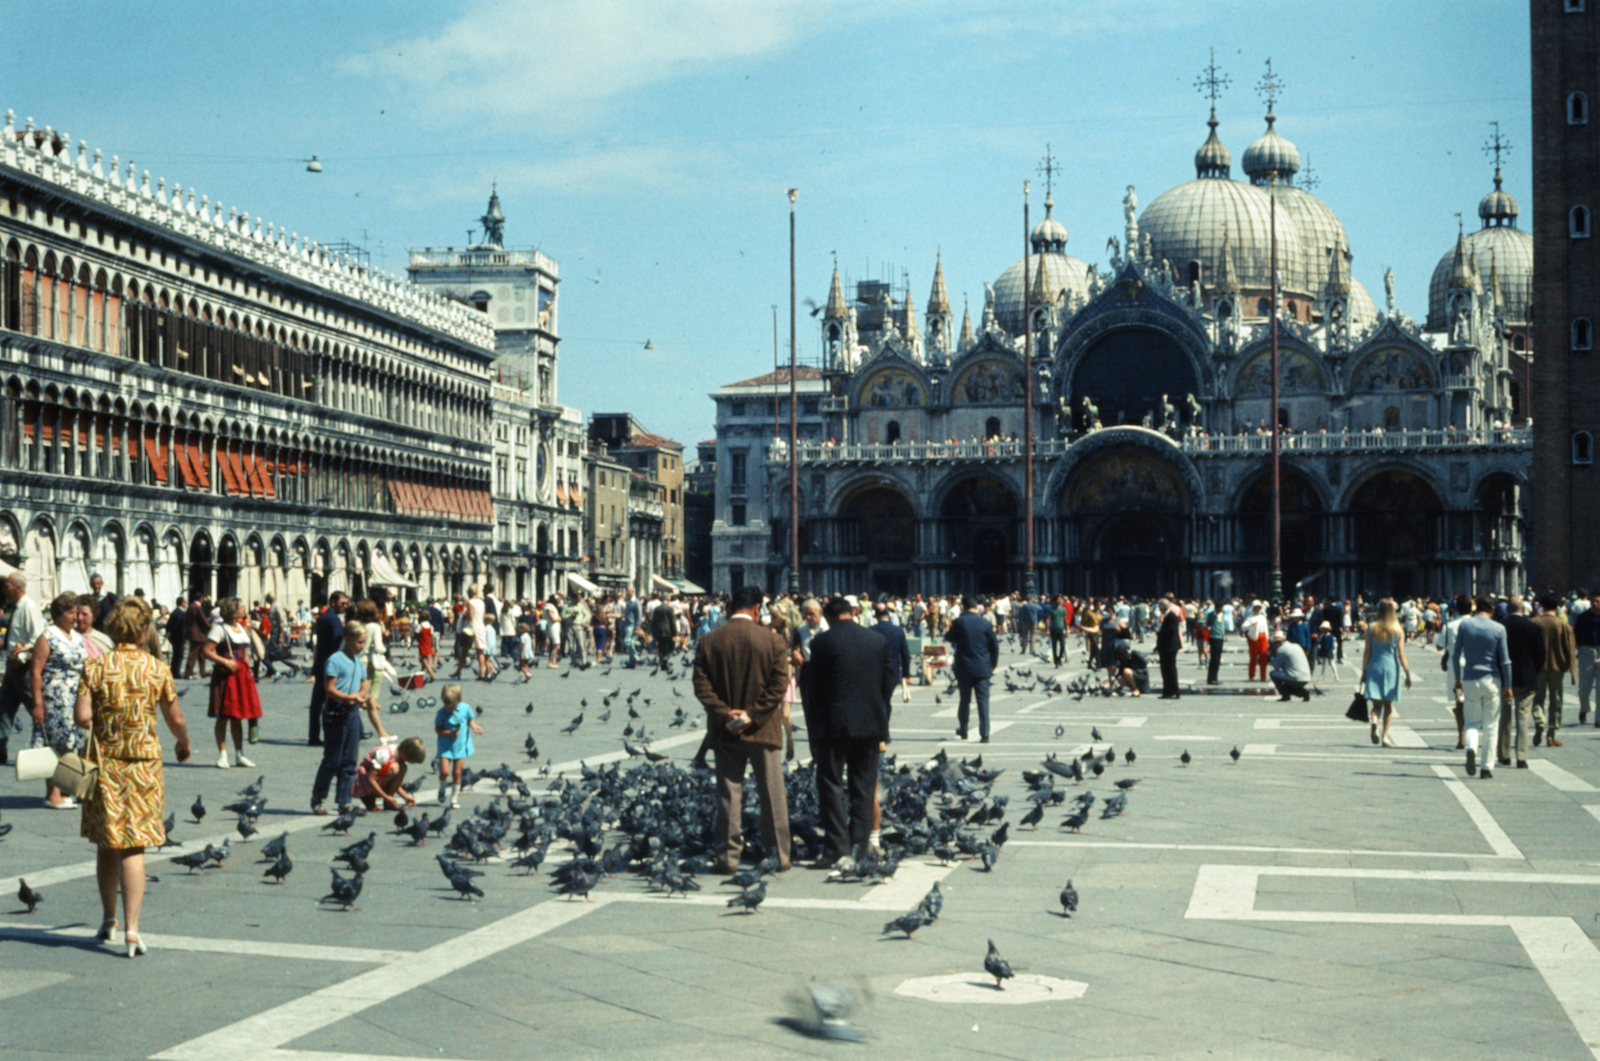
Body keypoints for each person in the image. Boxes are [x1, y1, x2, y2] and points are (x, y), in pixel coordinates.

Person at [73, 596, 190, 958]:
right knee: (134, 845)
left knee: (107, 842)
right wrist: (183, 744)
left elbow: (81, 717)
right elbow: (176, 719)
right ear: (142, 632)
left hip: (106, 764)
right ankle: (133, 930)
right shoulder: (157, 669)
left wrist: (108, 720)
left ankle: (108, 918)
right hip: (142, 766)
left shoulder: (95, 667)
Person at [691, 583, 792, 872]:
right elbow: (779, 686)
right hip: (763, 729)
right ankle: (779, 856)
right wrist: (752, 715)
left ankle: (727, 857)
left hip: (725, 731)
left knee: (729, 794)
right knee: (772, 794)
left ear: (730, 607)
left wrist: (726, 715)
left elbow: (701, 686)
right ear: (758, 609)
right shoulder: (772, 641)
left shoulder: (710, 641)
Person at [799, 596, 894, 867]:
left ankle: (835, 849)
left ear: (828, 617)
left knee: (831, 784)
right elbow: (889, 683)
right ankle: (859, 849)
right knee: (863, 788)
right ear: (852, 613)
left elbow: (813, 688)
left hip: (834, 725)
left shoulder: (822, 642)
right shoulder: (876, 640)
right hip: (870, 725)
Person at [30, 591, 89, 807]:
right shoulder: (48, 636)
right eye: (72, 613)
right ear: (60, 614)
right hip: (54, 699)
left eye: (77, 613)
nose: (76, 617)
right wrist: (37, 703)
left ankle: (64, 788)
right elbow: (36, 671)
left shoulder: (77, 637)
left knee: (70, 744)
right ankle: (52, 793)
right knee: (54, 744)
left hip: (75, 697)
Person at [311, 624, 373, 814]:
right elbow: (329, 689)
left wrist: (361, 695)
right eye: (359, 642)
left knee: (349, 760)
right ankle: (318, 798)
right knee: (333, 760)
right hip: (335, 712)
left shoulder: (359, 663)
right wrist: (349, 697)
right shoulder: (335, 660)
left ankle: (344, 801)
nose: (362, 646)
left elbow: (364, 684)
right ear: (347, 639)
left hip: (352, 713)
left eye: (364, 642)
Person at [1454, 597, 1513, 780]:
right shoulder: (1498, 628)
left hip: (1470, 678)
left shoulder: (1465, 625)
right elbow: (1505, 661)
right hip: (1491, 680)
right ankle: (1486, 768)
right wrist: (1508, 686)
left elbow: (1456, 655)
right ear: (1492, 609)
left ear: (1475, 608)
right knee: (1490, 726)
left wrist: (1458, 678)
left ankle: (1471, 747)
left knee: (1471, 722)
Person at [201, 597, 262, 769]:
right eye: (240, 606)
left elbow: (246, 652)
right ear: (232, 610)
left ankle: (239, 754)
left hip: (241, 675)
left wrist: (248, 668)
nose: (244, 609)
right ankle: (222, 754)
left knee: (238, 716)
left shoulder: (241, 628)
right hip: (226, 676)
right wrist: (225, 662)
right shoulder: (219, 629)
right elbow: (207, 651)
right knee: (223, 717)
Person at [945, 594, 999, 741]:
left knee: (964, 700)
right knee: (983, 701)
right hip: (982, 668)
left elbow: (948, 638)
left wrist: (951, 629)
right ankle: (985, 733)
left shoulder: (959, 622)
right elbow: (994, 646)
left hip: (964, 667)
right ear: (976, 607)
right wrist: (993, 664)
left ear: (963, 607)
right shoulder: (986, 623)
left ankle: (963, 729)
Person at [1500, 599, 1545, 769]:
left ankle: (1504, 754)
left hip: (1506, 677)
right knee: (1523, 718)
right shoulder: (1532, 626)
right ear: (1523, 609)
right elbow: (1541, 652)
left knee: (1504, 718)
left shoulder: (1501, 625)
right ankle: (1521, 757)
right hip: (1527, 676)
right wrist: (1535, 670)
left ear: (1508, 609)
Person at [1361, 599, 1412, 747]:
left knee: (1376, 704)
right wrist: (1407, 673)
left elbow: (1367, 651)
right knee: (1388, 705)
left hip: (1374, 666)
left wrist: (1364, 671)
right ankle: (1385, 737)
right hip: (1391, 667)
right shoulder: (1398, 629)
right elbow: (1401, 654)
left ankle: (1374, 721)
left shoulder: (1371, 628)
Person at [1533, 594, 1577, 748]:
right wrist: (1572, 671)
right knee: (1556, 701)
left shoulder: (1534, 622)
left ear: (1542, 606)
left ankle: (1539, 720)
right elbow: (1570, 648)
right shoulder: (1563, 625)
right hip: (1558, 667)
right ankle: (1552, 735)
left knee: (1537, 699)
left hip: (1538, 668)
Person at [307, 592, 349, 746]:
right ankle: (324, 735)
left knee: (318, 703)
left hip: (322, 663)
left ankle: (314, 735)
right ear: (333, 602)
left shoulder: (327, 617)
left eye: (346, 604)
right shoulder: (332, 619)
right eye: (342, 603)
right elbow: (338, 641)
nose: (345, 606)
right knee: (326, 701)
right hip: (328, 665)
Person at [433, 682, 480, 808]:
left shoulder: (465, 708)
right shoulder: (441, 713)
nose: (449, 708)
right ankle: (442, 789)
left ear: (458, 700)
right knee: (444, 771)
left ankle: (454, 798)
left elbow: (470, 719)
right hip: (445, 746)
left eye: (452, 705)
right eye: (446, 705)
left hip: (460, 747)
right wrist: (448, 733)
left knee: (457, 773)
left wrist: (474, 727)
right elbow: (437, 729)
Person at [353, 737, 426, 812]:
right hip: (364, 780)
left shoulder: (398, 754)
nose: (410, 762)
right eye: (409, 759)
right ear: (404, 751)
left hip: (378, 780)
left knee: (403, 767)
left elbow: (394, 783)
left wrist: (405, 797)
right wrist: (386, 797)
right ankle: (369, 796)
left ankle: (388, 802)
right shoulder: (384, 753)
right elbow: (371, 778)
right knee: (395, 768)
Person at [871, 601, 913, 703]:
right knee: (887, 698)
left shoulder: (870, 631)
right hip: (892, 670)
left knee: (878, 699)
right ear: (889, 614)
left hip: (874, 671)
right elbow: (905, 654)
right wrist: (906, 674)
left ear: (875, 615)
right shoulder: (898, 631)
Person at [1440, 598, 1468, 749]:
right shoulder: (1477, 624)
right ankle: (1472, 735)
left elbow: (1439, 646)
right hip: (1474, 664)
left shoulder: (1449, 625)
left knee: (1459, 702)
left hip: (1454, 665)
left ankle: (1462, 737)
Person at [1577, 589, 1600, 726]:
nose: (1594, 604)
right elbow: (1577, 634)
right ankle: (1584, 709)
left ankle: (1598, 719)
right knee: (1584, 688)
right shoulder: (1583, 617)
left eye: (1597, 601)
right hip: (1587, 651)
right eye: (1593, 601)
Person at [1155, 594, 1183, 699]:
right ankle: (1167, 691)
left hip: (1169, 647)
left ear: (1162, 607)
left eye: (1159, 606)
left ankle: (1174, 691)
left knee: (1170, 670)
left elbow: (1171, 631)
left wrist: (1160, 632)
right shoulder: (1168, 616)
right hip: (1166, 647)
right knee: (1165, 670)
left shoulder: (1171, 616)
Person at [183, 597, 209, 679]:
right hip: (198, 634)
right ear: (201, 599)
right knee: (194, 653)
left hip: (193, 633)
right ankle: (188, 673)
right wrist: (210, 627)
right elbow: (202, 619)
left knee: (201, 653)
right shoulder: (197, 607)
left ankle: (203, 671)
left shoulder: (190, 606)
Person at [1241, 602, 1269, 681]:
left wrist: (1267, 639)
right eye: (1255, 608)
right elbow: (1243, 627)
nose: (1257, 609)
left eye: (1258, 608)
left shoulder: (1263, 617)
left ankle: (1263, 676)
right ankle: (1251, 675)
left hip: (1263, 636)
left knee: (1263, 656)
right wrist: (1252, 624)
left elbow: (1266, 629)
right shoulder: (1250, 617)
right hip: (1253, 638)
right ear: (1253, 608)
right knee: (1253, 656)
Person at [650, 595, 679, 667]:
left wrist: (653, 632)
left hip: (658, 630)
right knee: (671, 647)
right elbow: (672, 621)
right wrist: (675, 632)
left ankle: (662, 662)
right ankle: (665, 658)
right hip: (668, 631)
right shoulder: (670, 609)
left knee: (661, 647)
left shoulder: (657, 609)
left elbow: (654, 621)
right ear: (668, 600)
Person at [1204, 601, 1225, 685]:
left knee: (1217, 659)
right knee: (1214, 659)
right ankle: (1211, 679)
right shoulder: (1212, 614)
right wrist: (1208, 628)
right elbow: (1201, 621)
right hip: (1214, 638)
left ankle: (1215, 677)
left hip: (1220, 638)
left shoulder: (1221, 614)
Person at [165, 597, 188, 673]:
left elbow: (168, 625)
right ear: (181, 603)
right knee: (179, 655)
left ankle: (174, 670)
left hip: (174, 637)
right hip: (179, 637)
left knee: (175, 655)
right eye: (185, 602)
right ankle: (176, 672)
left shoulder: (174, 612)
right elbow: (182, 628)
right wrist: (184, 639)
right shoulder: (181, 613)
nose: (186, 603)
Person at [1048, 596, 1069, 667]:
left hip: (1061, 629)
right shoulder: (1051, 610)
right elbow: (1048, 619)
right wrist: (1047, 629)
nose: (1059, 601)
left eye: (1060, 599)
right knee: (1054, 646)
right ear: (1054, 601)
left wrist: (1067, 631)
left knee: (1062, 645)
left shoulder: (1063, 609)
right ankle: (1056, 661)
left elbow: (1065, 620)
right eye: (1057, 599)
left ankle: (1059, 657)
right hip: (1053, 629)